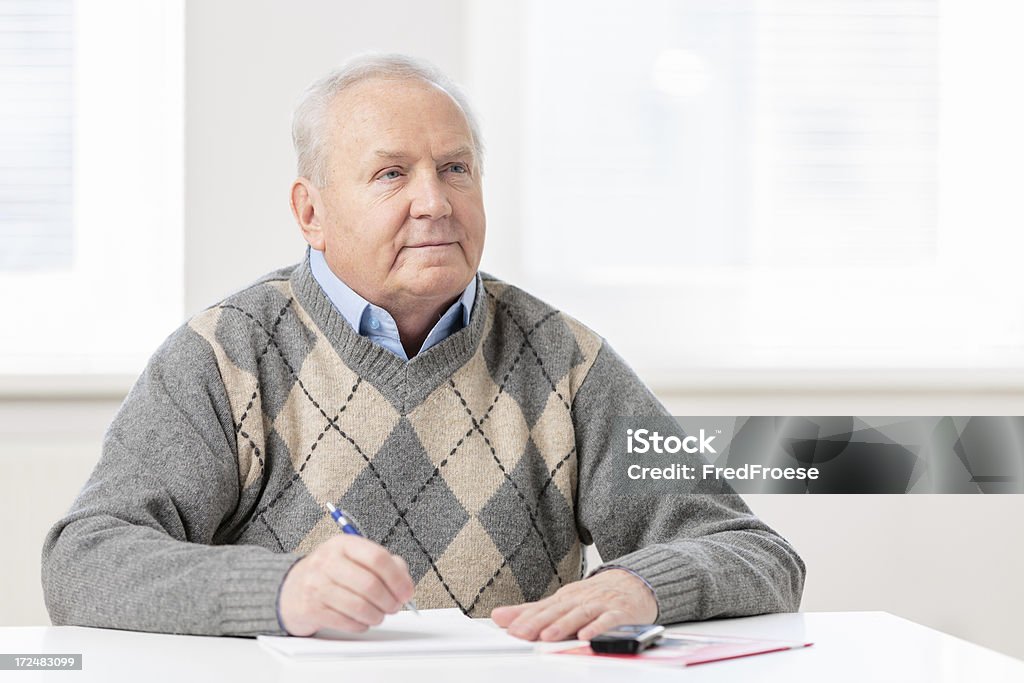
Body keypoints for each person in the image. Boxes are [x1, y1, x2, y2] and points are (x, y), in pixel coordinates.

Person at [41, 53, 805, 640]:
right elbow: (85, 561)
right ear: (311, 211)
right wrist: (279, 591)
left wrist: (647, 585)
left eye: (455, 169)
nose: (434, 202)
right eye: (391, 174)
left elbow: (755, 551)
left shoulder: (567, 361)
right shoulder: (224, 354)